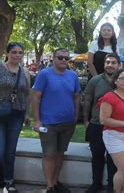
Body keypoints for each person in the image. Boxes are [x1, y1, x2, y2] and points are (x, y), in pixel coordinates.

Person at [31, 48, 81, 193]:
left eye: (67, 58)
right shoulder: (44, 74)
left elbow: (77, 96)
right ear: (53, 59)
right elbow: (36, 97)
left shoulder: (73, 75)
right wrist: (37, 121)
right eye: (60, 57)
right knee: (49, 154)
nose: (64, 60)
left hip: (67, 123)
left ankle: (55, 181)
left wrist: (76, 115)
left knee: (60, 154)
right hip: (48, 123)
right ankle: (49, 186)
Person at [83, 54, 121, 193]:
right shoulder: (95, 80)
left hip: (116, 126)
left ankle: (112, 185)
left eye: (113, 63)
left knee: (113, 157)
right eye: (107, 62)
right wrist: (86, 121)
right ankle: (96, 184)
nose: (110, 65)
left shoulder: (123, 80)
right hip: (97, 124)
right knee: (97, 156)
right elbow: (87, 101)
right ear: (104, 64)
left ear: (119, 65)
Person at [0, 42, 30, 193]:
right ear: (7, 53)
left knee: (10, 151)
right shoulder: (0, 68)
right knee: (0, 149)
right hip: (0, 113)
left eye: (20, 52)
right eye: (14, 52)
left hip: (17, 114)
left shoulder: (24, 72)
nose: (17, 55)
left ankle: (9, 181)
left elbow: (27, 94)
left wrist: (27, 114)